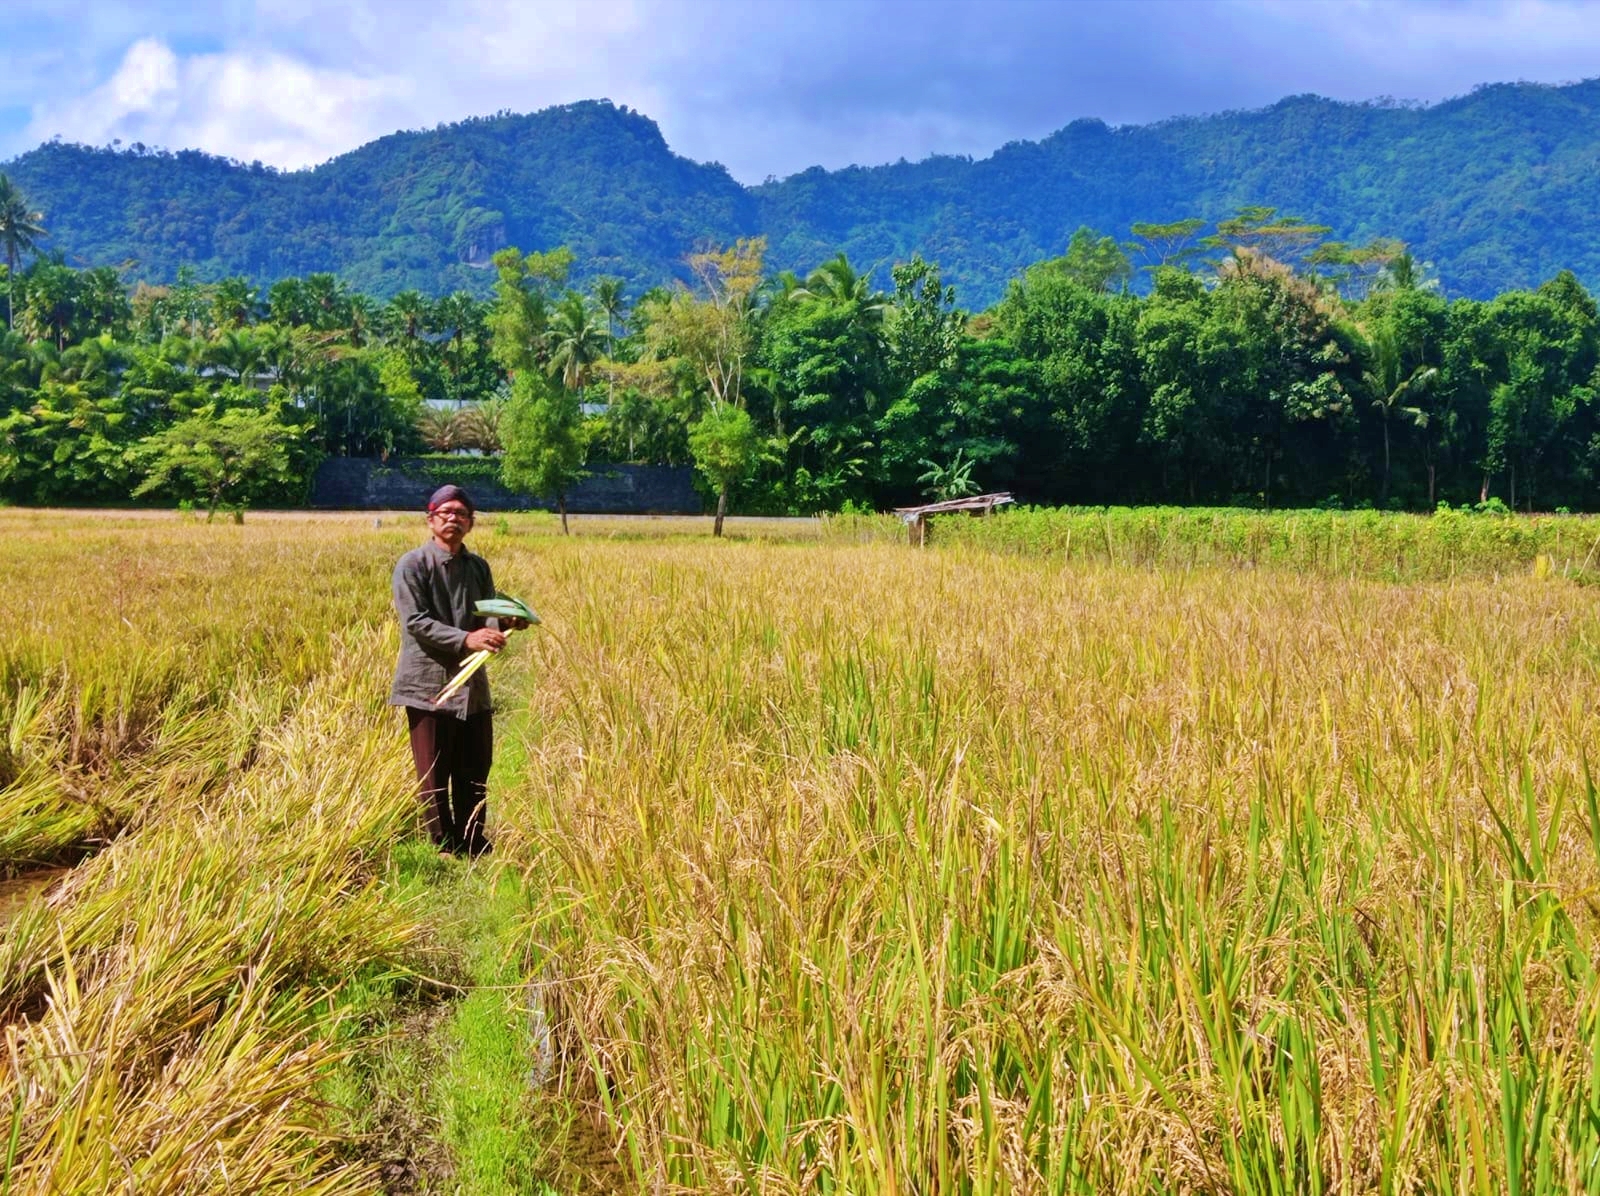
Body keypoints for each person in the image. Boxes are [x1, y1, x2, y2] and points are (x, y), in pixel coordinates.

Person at [389, 484, 527, 857]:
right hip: (427, 681)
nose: (453, 519)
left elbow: (488, 615)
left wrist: (507, 624)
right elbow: (416, 621)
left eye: (461, 514)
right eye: (445, 512)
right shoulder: (413, 565)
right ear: (430, 519)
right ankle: (443, 843)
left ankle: (472, 839)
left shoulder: (478, 566)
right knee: (434, 770)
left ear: (471, 523)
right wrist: (468, 639)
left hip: (471, 685)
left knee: (475, 765)